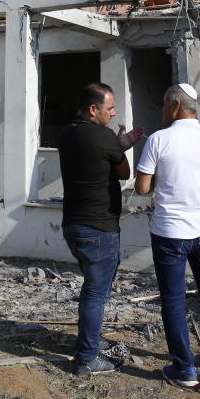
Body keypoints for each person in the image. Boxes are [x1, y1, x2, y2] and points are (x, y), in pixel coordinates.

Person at [135, 83, 200, 388]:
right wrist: (199, 184)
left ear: (175, 105)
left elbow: (141, 188)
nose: (162, 110)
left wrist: (171, 181)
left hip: (169, 234)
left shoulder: (159, 140)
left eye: (164, 105)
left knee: (174, 299)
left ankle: (184, 368)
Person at [59, 82, 144, 376]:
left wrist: (114, 146)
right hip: (99, 228)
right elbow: (124, 173)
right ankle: (87, 358)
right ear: (93, 109)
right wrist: (120, 147)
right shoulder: (104, 136)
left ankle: (91, 342)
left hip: (74, 224)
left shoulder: (67, 133)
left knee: (93, 289)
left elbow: (96, 161)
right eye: (110, 109)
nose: (113, 113)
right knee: (96, 293)